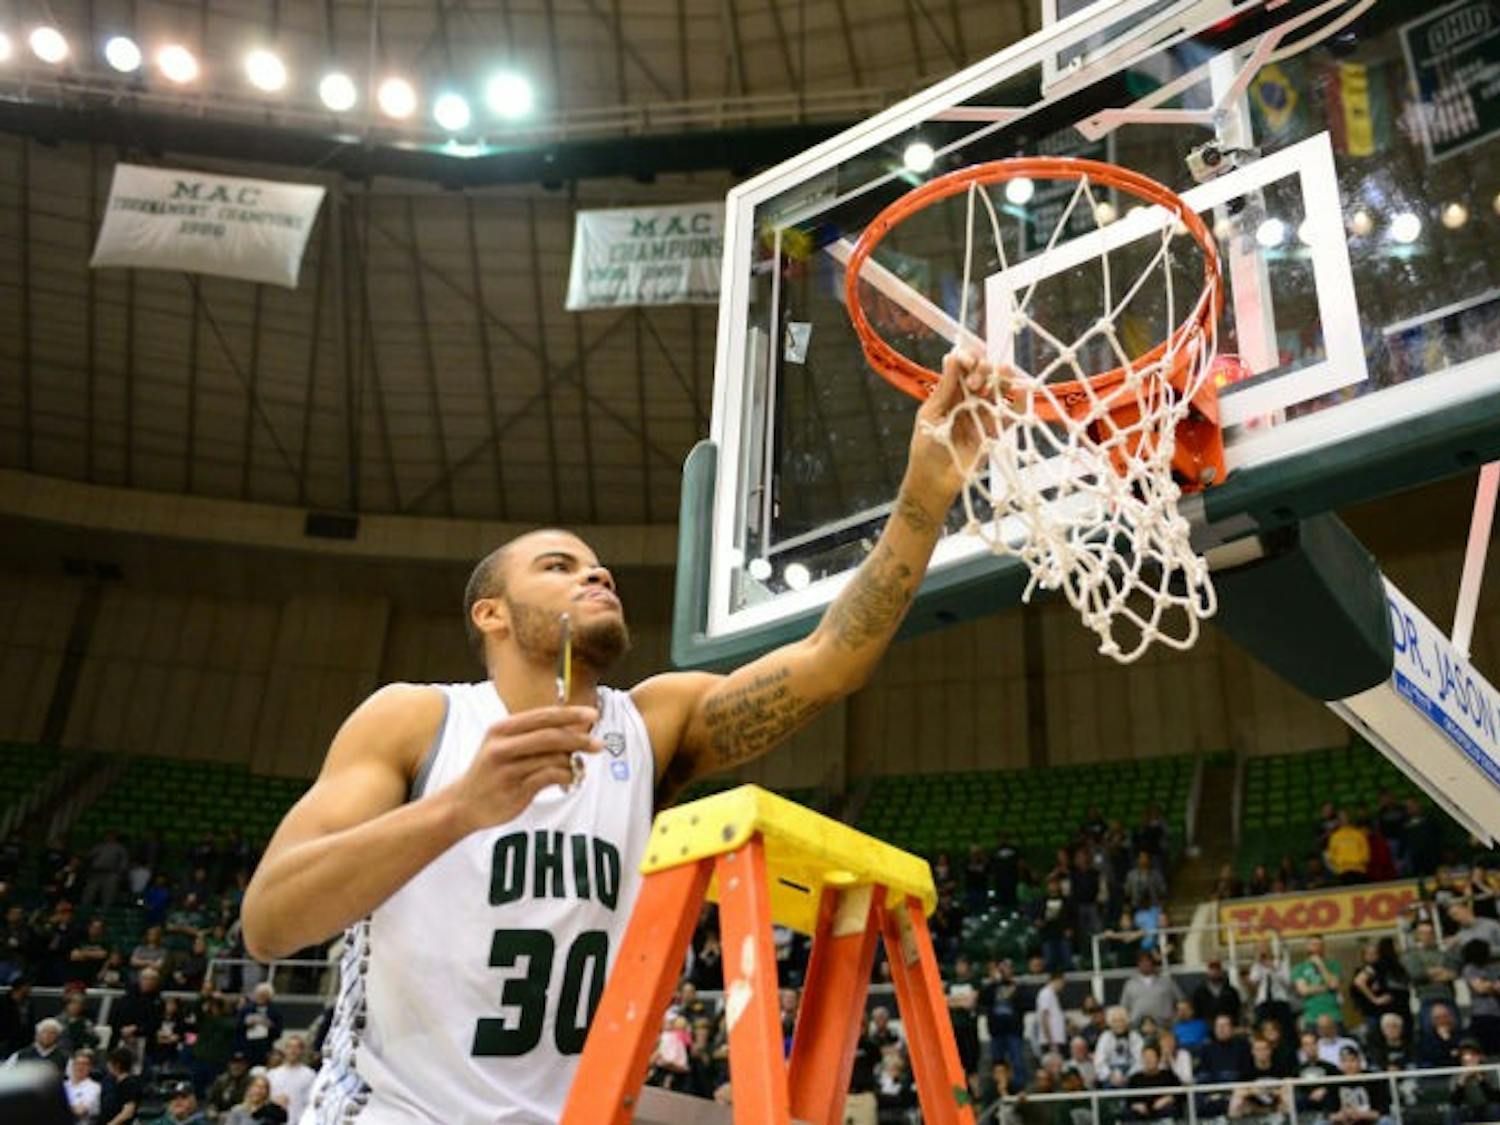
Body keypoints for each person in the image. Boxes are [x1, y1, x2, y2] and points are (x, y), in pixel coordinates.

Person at [239, 354, 1005, 1124]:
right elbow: (269, 922)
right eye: (558, 565)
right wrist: (461, 808)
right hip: (399, 1111)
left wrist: (926, 490)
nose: (596, 574)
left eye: (599, 567)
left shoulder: (650, 723)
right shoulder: (418, 719)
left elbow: (829, 661)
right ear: (491, 614)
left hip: (576, 1109)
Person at [1227, 1035, 1292, 1119]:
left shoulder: (1279, 1067)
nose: (1261, 1052)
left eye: (1264, 1049)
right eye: (1258, 1049)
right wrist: (1253, 1091)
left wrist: (1271, 1091)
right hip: (1253, 1106)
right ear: (1252, 1052)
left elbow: (1287, 1086)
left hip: (1276, 1105)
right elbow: (1239, 1090)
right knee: (1237, 1099)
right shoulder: (1246, 1068)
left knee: (1287, 1097)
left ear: (1270, 1051)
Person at [1328, 1045, 1389, 1125]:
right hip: (1343, 1122)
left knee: (1386, 1121)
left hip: (1369, 1121)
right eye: (1344, 1061)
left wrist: (1362, 1114)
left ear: (1359, 1061)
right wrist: (1343, 1115)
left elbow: (1382, 1111)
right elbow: (1329, 1114)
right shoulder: (1335, 1081)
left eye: (1352, 1060)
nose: (1348, 1065)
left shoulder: (1372, 1079)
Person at [1292, 934, 1343, 1029]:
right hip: (1312, 1017)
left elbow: (1333, 985)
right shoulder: (1299, 968)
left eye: (1319, 944)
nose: (1316, 947)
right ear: (1307, 946)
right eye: (1313, 944)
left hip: (1333, 1015)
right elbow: (1303, 991)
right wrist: (1325, 987)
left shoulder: (1333, 965)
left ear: (1323, 947)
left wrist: (1321, 965)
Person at [1120, 951, 1181, 1027]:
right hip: (1137, 1027)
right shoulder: (1130, 984)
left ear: (1153, 963)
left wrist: (1174, 1020)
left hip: (1164, 1027)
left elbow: (1181, 1003)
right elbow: (1124, 1007)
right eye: (1141, 961)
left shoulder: (1167, 982)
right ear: (1138, 965)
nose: (1145, 964)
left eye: (1147, 961)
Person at [1124, 1043, 1181, 1122]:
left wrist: (1168, 1099)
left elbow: (1181, 1094)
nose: (1148, 1060)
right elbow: (1128, 1101)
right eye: (1145, 1057)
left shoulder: (1168, 1075)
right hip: (1141, 1114)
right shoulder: (1135, 1078)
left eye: (1151, 1056)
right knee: (1129, 1114)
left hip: (1163, 1111)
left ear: (1158, 1058)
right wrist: (1136, 1106)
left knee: (1170, 1110)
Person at [267, 1035, 316, 1123]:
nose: (293, 1051)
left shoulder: (310, 1075)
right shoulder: (272, 1074)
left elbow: (312, 1102)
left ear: (302, 1051)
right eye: (290, 1047)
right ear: (285, 1050)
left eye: (297, 1047)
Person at [1450, 1038, 1500, 1123]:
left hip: (1486, 1108)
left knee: (1494, 1108)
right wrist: (1462, 1081)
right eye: (1464, 1055)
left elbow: (1496, 1098)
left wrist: (1480, 1079)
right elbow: (1455, 1102)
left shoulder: (1490, 1071)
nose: (1468, 1059)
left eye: (1472, 1055)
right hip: (1468, 1110)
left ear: (1479, 1057)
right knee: (1452, 1112)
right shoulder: (1456, 1076)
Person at [98, 1046, 141, 1125]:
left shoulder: (130, 1084)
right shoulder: (111, 1081)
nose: (107, 1065)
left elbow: (128, 1112)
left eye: (110, 1062)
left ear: (117, 1065)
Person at [1191, 959, 1242, 1025]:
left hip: (1226, 1027)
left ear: (1221, 971)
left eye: (1217, 969)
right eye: (1212, 969)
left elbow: (1236, 1011)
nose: (1214, 972)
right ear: (1208, 972)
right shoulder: (1199, 992)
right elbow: (1196, 1011)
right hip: (1206, 1027)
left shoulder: (1231, 991)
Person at [63, 1048, 102, 1124]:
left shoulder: (94, 1087)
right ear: (73, 1066)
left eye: (85, 1064)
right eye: (77, 1063)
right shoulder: (64, 1085)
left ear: (90, 1067)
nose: (80, 1067)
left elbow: (79, 1111)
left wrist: (59, 1106)